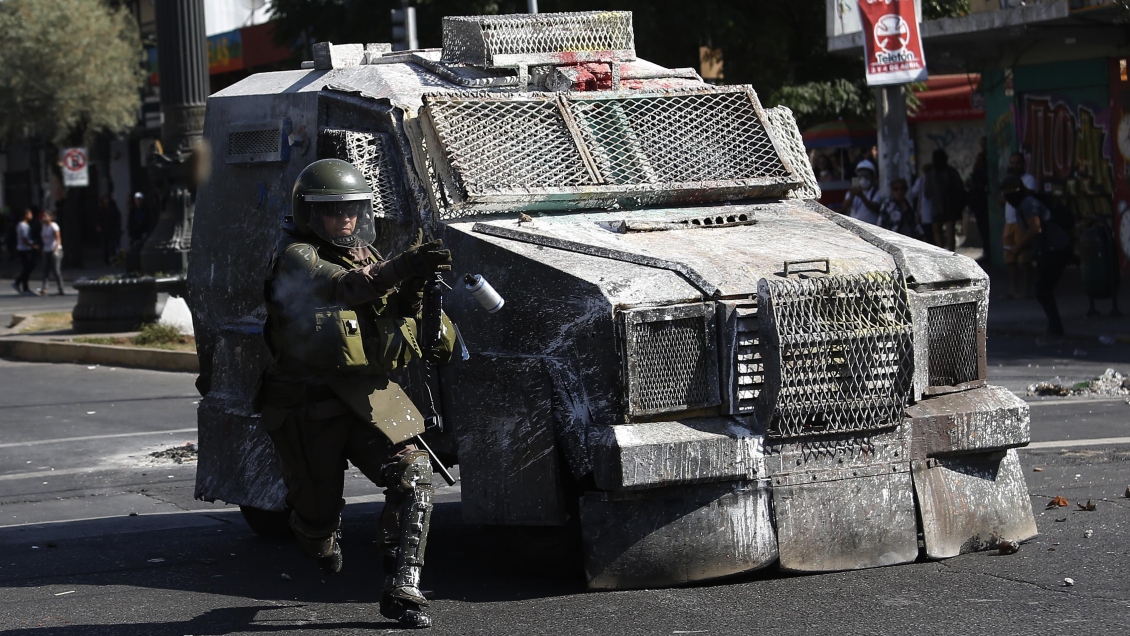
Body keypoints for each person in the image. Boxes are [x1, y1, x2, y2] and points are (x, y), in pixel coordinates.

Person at [258, 158, 455, 629]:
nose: (345, 219)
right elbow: (344, 288)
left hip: (368, 392)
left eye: (352, 209)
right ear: (309, 213)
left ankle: (403, 585)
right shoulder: (296, 256)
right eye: (332, 211)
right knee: (317, 520)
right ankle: (318, 535)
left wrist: (415, 288)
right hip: (308, 403)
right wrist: (403, 266)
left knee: (415, 473)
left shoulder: (365, 253)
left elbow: (389, 310)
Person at [1002, 175, 1073, 338]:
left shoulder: (1028, 203)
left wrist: (1018, 248)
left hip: (1056, 248)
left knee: (1043, 289)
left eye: (1010, 191)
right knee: (1043, 289)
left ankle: (1056, 329)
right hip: (1050, 249)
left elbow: (1035, 228)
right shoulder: (1022, 206)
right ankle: (1055, 327)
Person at [1002, 152, 1038, 298]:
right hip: (1009, 221)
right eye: (1012, 163)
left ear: (1023, 164)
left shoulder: (1029, 179)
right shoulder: (1008, 180)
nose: (1014, 166)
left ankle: (1026, 289)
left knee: (1024, 258)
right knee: (1009, 257)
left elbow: (1029, 195)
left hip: (1021, 223)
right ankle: (1013, 288)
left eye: (1017, 163)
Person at [925, 149, 967, 252]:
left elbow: (959, 189)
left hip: (949, 207)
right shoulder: (933, 174)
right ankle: (943, 251)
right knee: (940, 230)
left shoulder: (949, 173)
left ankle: (948, 252)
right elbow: (927, 192)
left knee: (948, 231)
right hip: (940, 207)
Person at [967, 142, 990, 261]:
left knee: (985, 229)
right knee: (983, 229)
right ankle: (987, 251)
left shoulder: (983, 172)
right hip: (978, 204)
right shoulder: (978, 172)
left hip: (982, 204)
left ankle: (988, 252)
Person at [843, 159, 881, 225]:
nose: (863, 178)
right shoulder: (853, 191)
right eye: (860, 175)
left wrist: (862, 196)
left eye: (866, 176)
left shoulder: (875, 192)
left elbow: (874, 207)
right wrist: (852, 196)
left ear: (872, 177)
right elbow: (844, 206)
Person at [37, 210, 64, 296]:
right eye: (43, 216)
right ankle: (44, 288)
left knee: (56, 270)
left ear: (50, 217)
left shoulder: (54, 226)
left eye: (46, 216)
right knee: (45, 269)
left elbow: (58, 239)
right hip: (46, 250)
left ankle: (61, 288)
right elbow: (43, 238)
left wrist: (56, 249)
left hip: (54, 250)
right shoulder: (43, 226)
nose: (44, 218)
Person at [12, 208, 37, 295]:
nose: (31, 216)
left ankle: (21, 284)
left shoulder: (24, 225)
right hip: (24, 249)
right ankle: (20, 284)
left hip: (25, 249)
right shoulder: (22, 225)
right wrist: (32, 246)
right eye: (30, 214)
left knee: (28, 268)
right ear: (26, 215)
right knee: (27, 268)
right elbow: (25, 239)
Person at [96, 194, 122, 265]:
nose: (106, 201)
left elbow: (117, 218)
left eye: (107, 199)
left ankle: (113, 259)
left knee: (112, 246)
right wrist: (98, 226)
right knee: (105, 246)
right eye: (104, 199)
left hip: (112, 230)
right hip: (104, 230)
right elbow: (98, 219)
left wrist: (118, 228)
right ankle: (106, 260)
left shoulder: (113, 209)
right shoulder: (101, 209)